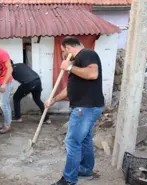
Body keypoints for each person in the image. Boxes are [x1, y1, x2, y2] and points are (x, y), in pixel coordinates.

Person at [45, 36, 104, 185]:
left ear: (68, 48)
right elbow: (69, 88)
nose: (63, 55)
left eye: (63, 51)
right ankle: (85, 170)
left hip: (85, 108)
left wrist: (69, 67)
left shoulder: (86, 54)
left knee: (72, 141)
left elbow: (93, 74)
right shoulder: (78, 63)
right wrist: (54, 99)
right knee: (84, 140)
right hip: (89, 107)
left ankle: (69, 179)